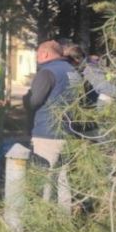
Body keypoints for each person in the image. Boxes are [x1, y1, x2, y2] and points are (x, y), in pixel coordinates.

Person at [27, 40, 82, 213]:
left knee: (45, 179)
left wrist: (24, 99)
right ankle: (65, 220)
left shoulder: (47, 72)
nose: (37, 58)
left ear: (45, 54)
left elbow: (34, 101)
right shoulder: (74, 72)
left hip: (47, 134)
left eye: (37, 54)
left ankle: (44, 220)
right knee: (65, 182)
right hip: (70, 133)